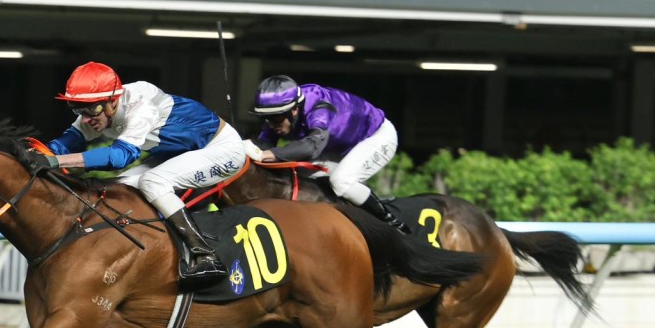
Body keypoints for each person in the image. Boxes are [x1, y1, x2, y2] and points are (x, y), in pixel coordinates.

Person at [37, 61, 246, 288]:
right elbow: (66, 142)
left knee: (152, 182)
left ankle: (205, 255)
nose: (86, 118)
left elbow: (120, 157)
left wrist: (55, 162)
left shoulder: (141, 106)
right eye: (78, 110)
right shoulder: (97, 107)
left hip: (221, 149)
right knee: (117, 189)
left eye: (92, 110)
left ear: (113, 101)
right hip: (174, 152)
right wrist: (30, 153)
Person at [244, 75, 410, 233]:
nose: (271, 124)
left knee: (342, 181)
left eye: (275, 119)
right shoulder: (281, 112)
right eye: (266, 118)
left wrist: (267, 154)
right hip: (337, 146)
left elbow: (312, 147)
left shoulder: (320, 107)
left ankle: (391, 224)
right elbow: (264, 146)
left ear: (294, 110)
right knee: (292, 172)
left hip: (376, 136)